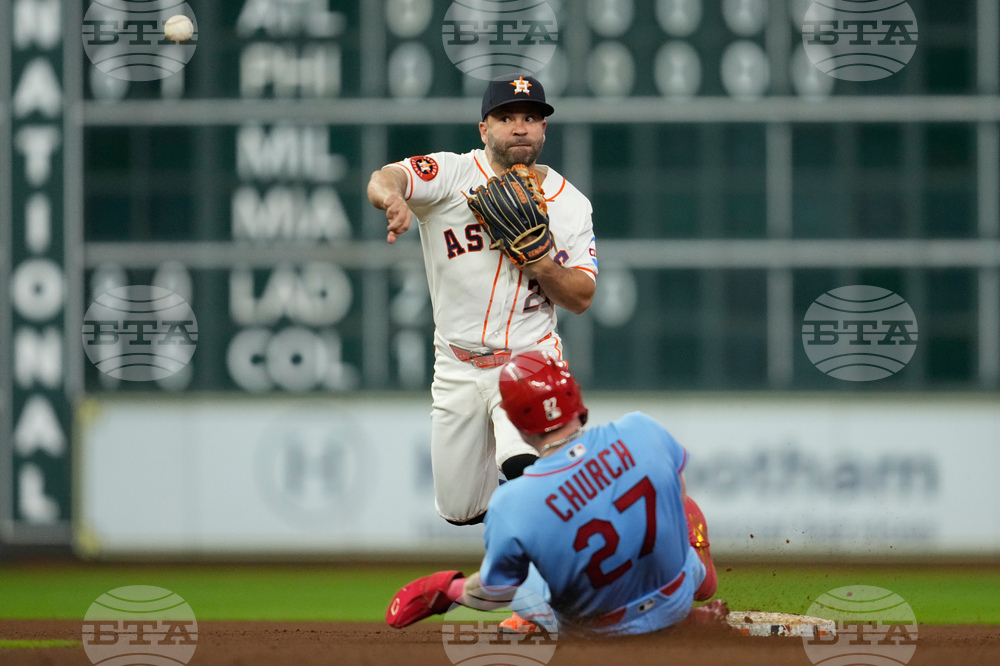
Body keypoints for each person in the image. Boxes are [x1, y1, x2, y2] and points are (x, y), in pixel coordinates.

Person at [367, 75, 598, 526]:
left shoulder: (571, 204)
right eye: (506, 117)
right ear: (483, 129)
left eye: (531, 118)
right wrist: (391, 198)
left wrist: (543, 265)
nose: (519, 127)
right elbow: (386, 176)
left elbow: (582, 297)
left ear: (544, 130)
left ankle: (578, 537)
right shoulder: (451, 174)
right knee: (459, 509)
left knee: (521, 463)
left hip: (530, 358)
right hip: (456, 362)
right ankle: (540, 510)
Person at [385, 351, 726, 637]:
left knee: (527, 582)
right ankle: (693, 599)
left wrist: (447, 590)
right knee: (680, 503)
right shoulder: (642, 428)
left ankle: (523, 613)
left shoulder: (512, 502)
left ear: (516, 425)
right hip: (677, 595)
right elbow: (675, 491)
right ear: (576, 397)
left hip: (598, 632)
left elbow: (494, 592)